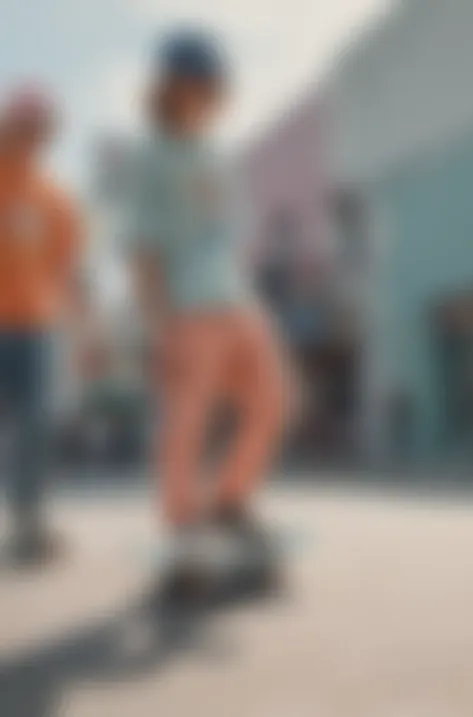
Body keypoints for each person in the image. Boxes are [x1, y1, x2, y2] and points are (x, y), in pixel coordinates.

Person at [127, 31, 290, 601]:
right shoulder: (149, 157)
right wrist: (157, 326)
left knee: (274, 401)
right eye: (191, 82)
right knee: (186, 422)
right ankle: (181, 528)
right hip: (187, 308)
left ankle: (229, 501)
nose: (202, 93)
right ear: (168, 88)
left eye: (210, 84)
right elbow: (142, 249)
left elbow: (232, 236)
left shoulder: (221, 155)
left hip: (238, 300)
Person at [0, 87, 92, 565]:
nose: (29, 136)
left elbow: (70, 270)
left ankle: (28, 525)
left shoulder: (56, 198)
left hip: (35, 328)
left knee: (35, 427)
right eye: (21, 125)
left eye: (40, 129)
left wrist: (84, 333)